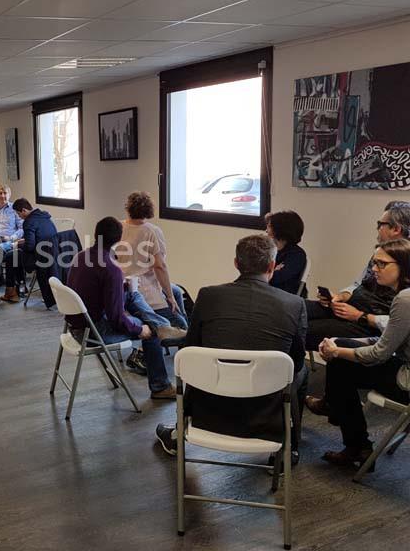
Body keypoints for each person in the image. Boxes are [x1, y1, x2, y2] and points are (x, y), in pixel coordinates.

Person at [155, 234, 308, 465]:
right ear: (272, 266)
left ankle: (179, 434)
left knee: (197, 363)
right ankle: (288, 450)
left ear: (236, 263)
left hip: (208, 412)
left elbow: (190, 349)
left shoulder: (208, 295)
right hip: (265, 414)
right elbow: (295, 363)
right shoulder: (294, 304)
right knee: (300, 371)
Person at [307, 239, 410, 469]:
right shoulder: (404, 296)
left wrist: (337, 351)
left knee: (340, 364)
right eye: (374, 263)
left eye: (382, 264)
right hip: (401, 365)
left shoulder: (404, 300)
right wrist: (340, 346)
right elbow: (387, 340)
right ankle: (352, 438)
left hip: (406, 382)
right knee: (341, 352)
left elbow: (380, 353)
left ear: (403, 266)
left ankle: (355, 443)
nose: (374, 269)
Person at [66, 217, 175, 399]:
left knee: (132, 293)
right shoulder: (111, 269)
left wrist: (120, 287)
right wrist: (140, 329)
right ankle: (160, 386)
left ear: (96, 234)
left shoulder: (81, 256)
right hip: (94, 331)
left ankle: (162, 325)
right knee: (151, 331)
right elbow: (116, 319)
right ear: (119, 239)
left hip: (76, 324)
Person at [305, 203, 410, 349]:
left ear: (396, 229)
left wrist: (361, 316)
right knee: (294, 309)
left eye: (380, 224)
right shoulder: (380, 253)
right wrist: (340, 296)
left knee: (301, 329)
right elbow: (359, 284)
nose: (377, 228)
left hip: (368, 324)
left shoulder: (405, 263)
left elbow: (400, 323)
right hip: (351, 308)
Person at [115, 191, 187, 346]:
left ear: (128, 209)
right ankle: (182, 346)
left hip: (122, 286)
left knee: (176, 291)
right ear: (149, 210)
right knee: (181, 322)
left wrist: (170, 293)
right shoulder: (152, 231)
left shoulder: (118, 227)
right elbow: (160, 266)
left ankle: (145, 355)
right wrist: (169, 297)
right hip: (144, 289)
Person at [0, 198, 59, 306]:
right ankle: (21, 287)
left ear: (23, 210)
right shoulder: (45, 217)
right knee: (16, 255)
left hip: (41, 257)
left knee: (11, 256)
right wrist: (24, 241)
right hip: (54, 253)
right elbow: (40, 236)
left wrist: (18, 244)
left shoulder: (28, 222)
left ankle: (12, 292)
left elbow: (30, 246)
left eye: (18, 213)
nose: (18, 216)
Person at [265, 210, 307, 295]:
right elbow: (256, 274)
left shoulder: (297, 255)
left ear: (280, 230)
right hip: (268, 294)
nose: (266, 230)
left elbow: (274, 279)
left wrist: (268, 272)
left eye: (269, 227)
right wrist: (273, 270)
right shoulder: (270, 250)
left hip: (285, 300)